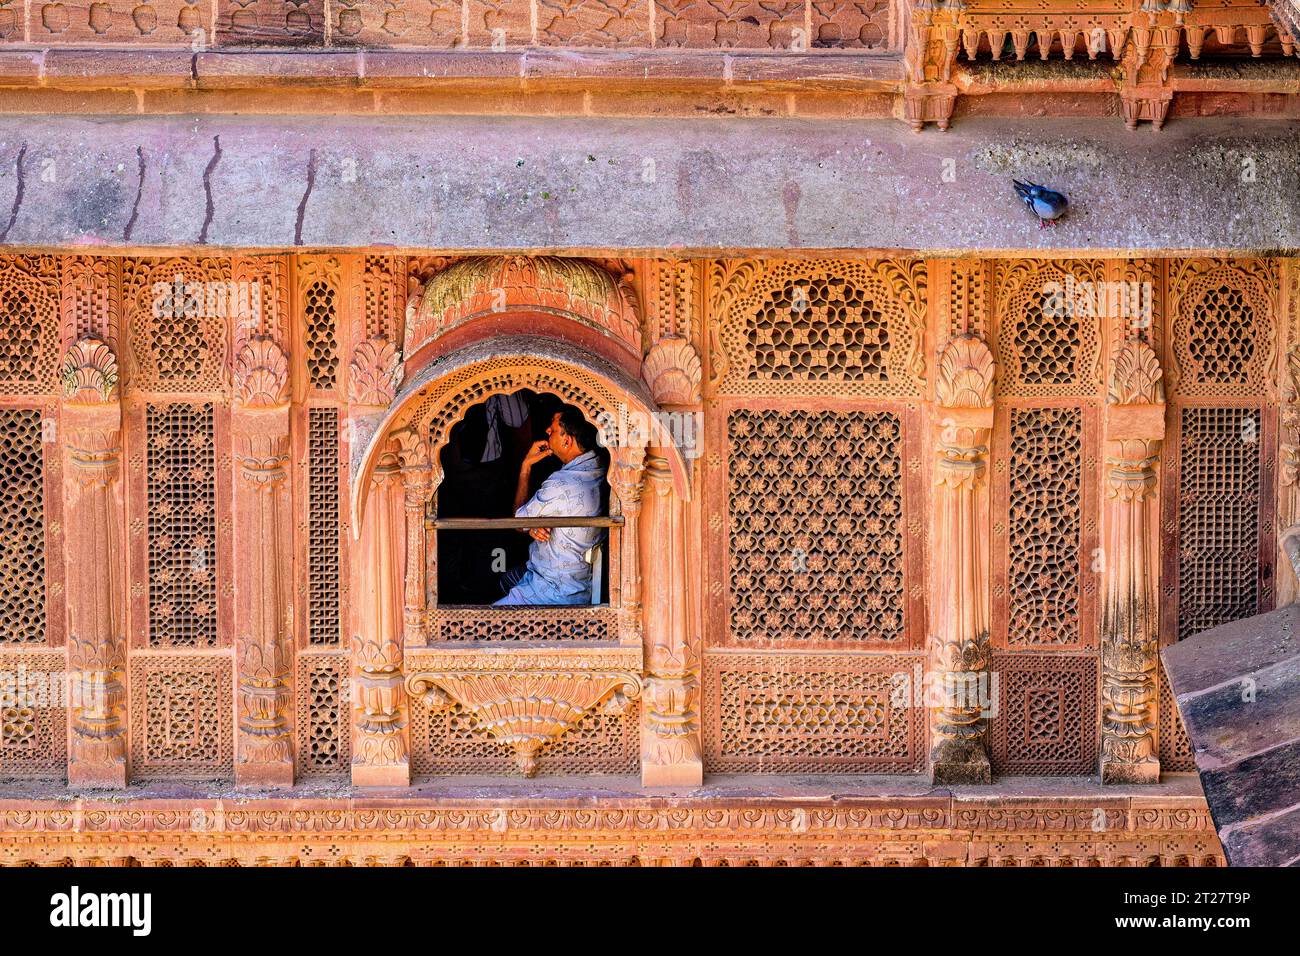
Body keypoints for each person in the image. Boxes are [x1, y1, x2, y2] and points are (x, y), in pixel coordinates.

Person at [496, 405, 607, 606]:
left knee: (487, 628)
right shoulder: (599, 466)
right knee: (507, 579)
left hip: (551, 588)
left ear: (567, 440)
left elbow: (519, 523)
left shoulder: (560, 483)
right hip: (580, 581)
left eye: (553, 428)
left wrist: (526, 466)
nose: (547, 431)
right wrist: (538, 523)